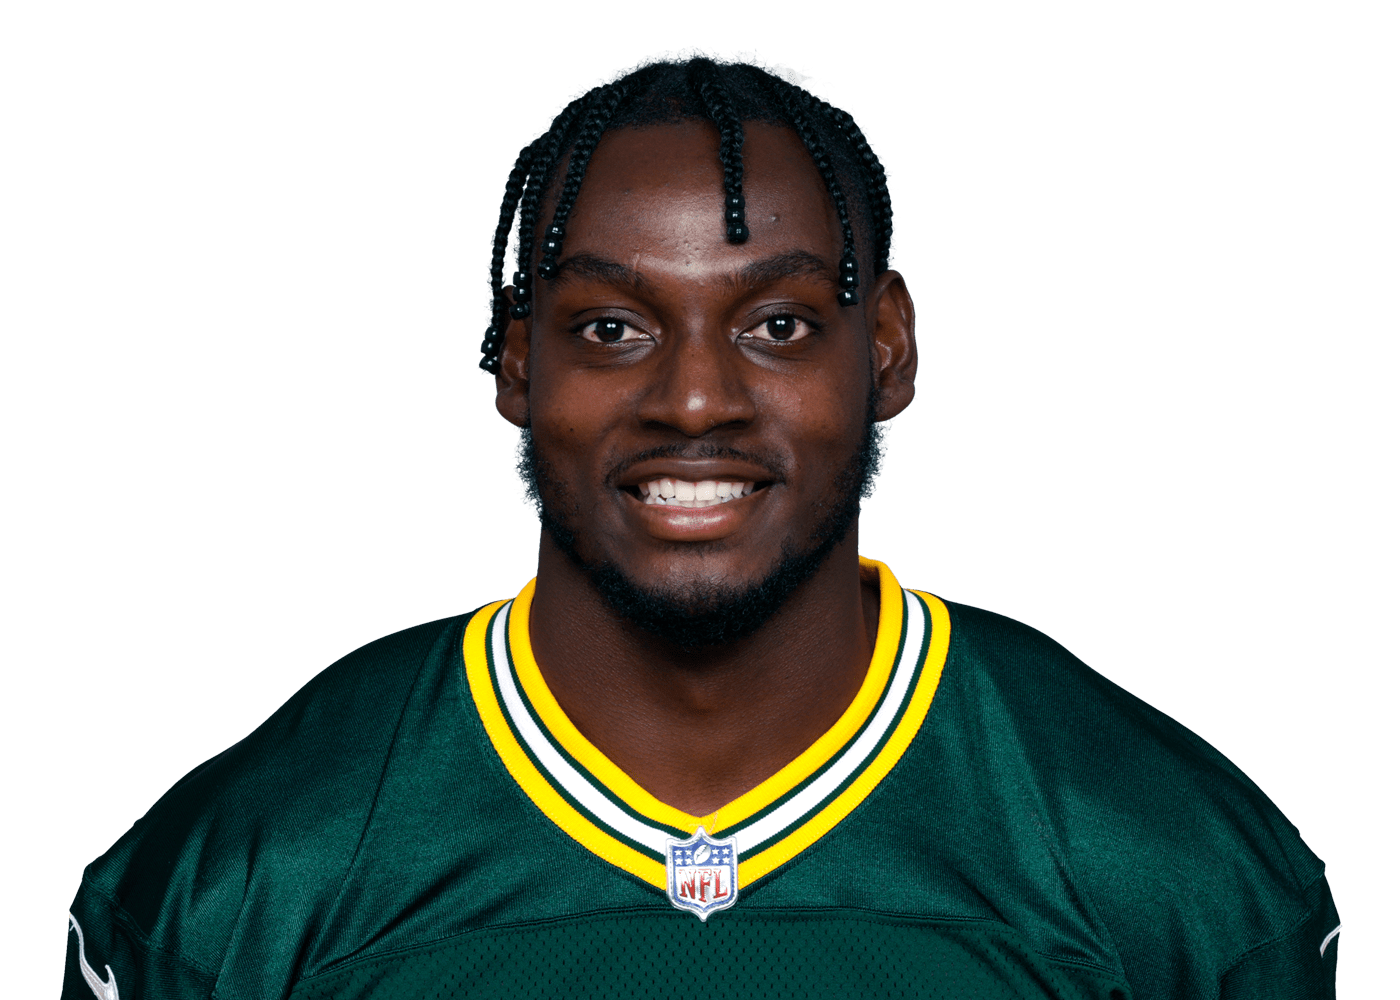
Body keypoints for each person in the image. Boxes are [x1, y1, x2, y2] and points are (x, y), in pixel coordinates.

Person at [62, 52, 1339, 1000]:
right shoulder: (247, 874)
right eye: (609, 327)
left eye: (775, 324)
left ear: (885, 349)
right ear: (518, 361)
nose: (692, 400)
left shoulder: (1167, 864)